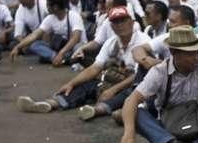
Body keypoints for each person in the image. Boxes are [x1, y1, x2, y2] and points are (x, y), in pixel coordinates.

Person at [14, 7, 149, 120]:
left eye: (123, 20)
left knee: (129, 94)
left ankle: (95, 111)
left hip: (135, 84)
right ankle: (49, 104)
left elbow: (138, 76)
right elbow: (95, 68)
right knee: (84, 85)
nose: (120, 25)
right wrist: (71, 83)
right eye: (116, 22)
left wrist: (112, 90)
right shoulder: (111, 42)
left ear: (132, 22)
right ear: (111, 26)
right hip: (111, 80)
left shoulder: (143, 41)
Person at [10, 0, 87, 66]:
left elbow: (76, 38)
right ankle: (57, 58)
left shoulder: (73, 15)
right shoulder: (50, 18)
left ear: (55, 7)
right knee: (35, 45)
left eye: (48, 5)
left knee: (78, 49)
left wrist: (61, 53)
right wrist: (18, 47)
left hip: (74, 47)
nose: (47, 8)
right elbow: (35, 35)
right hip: (60, 48)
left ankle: (60, 58)